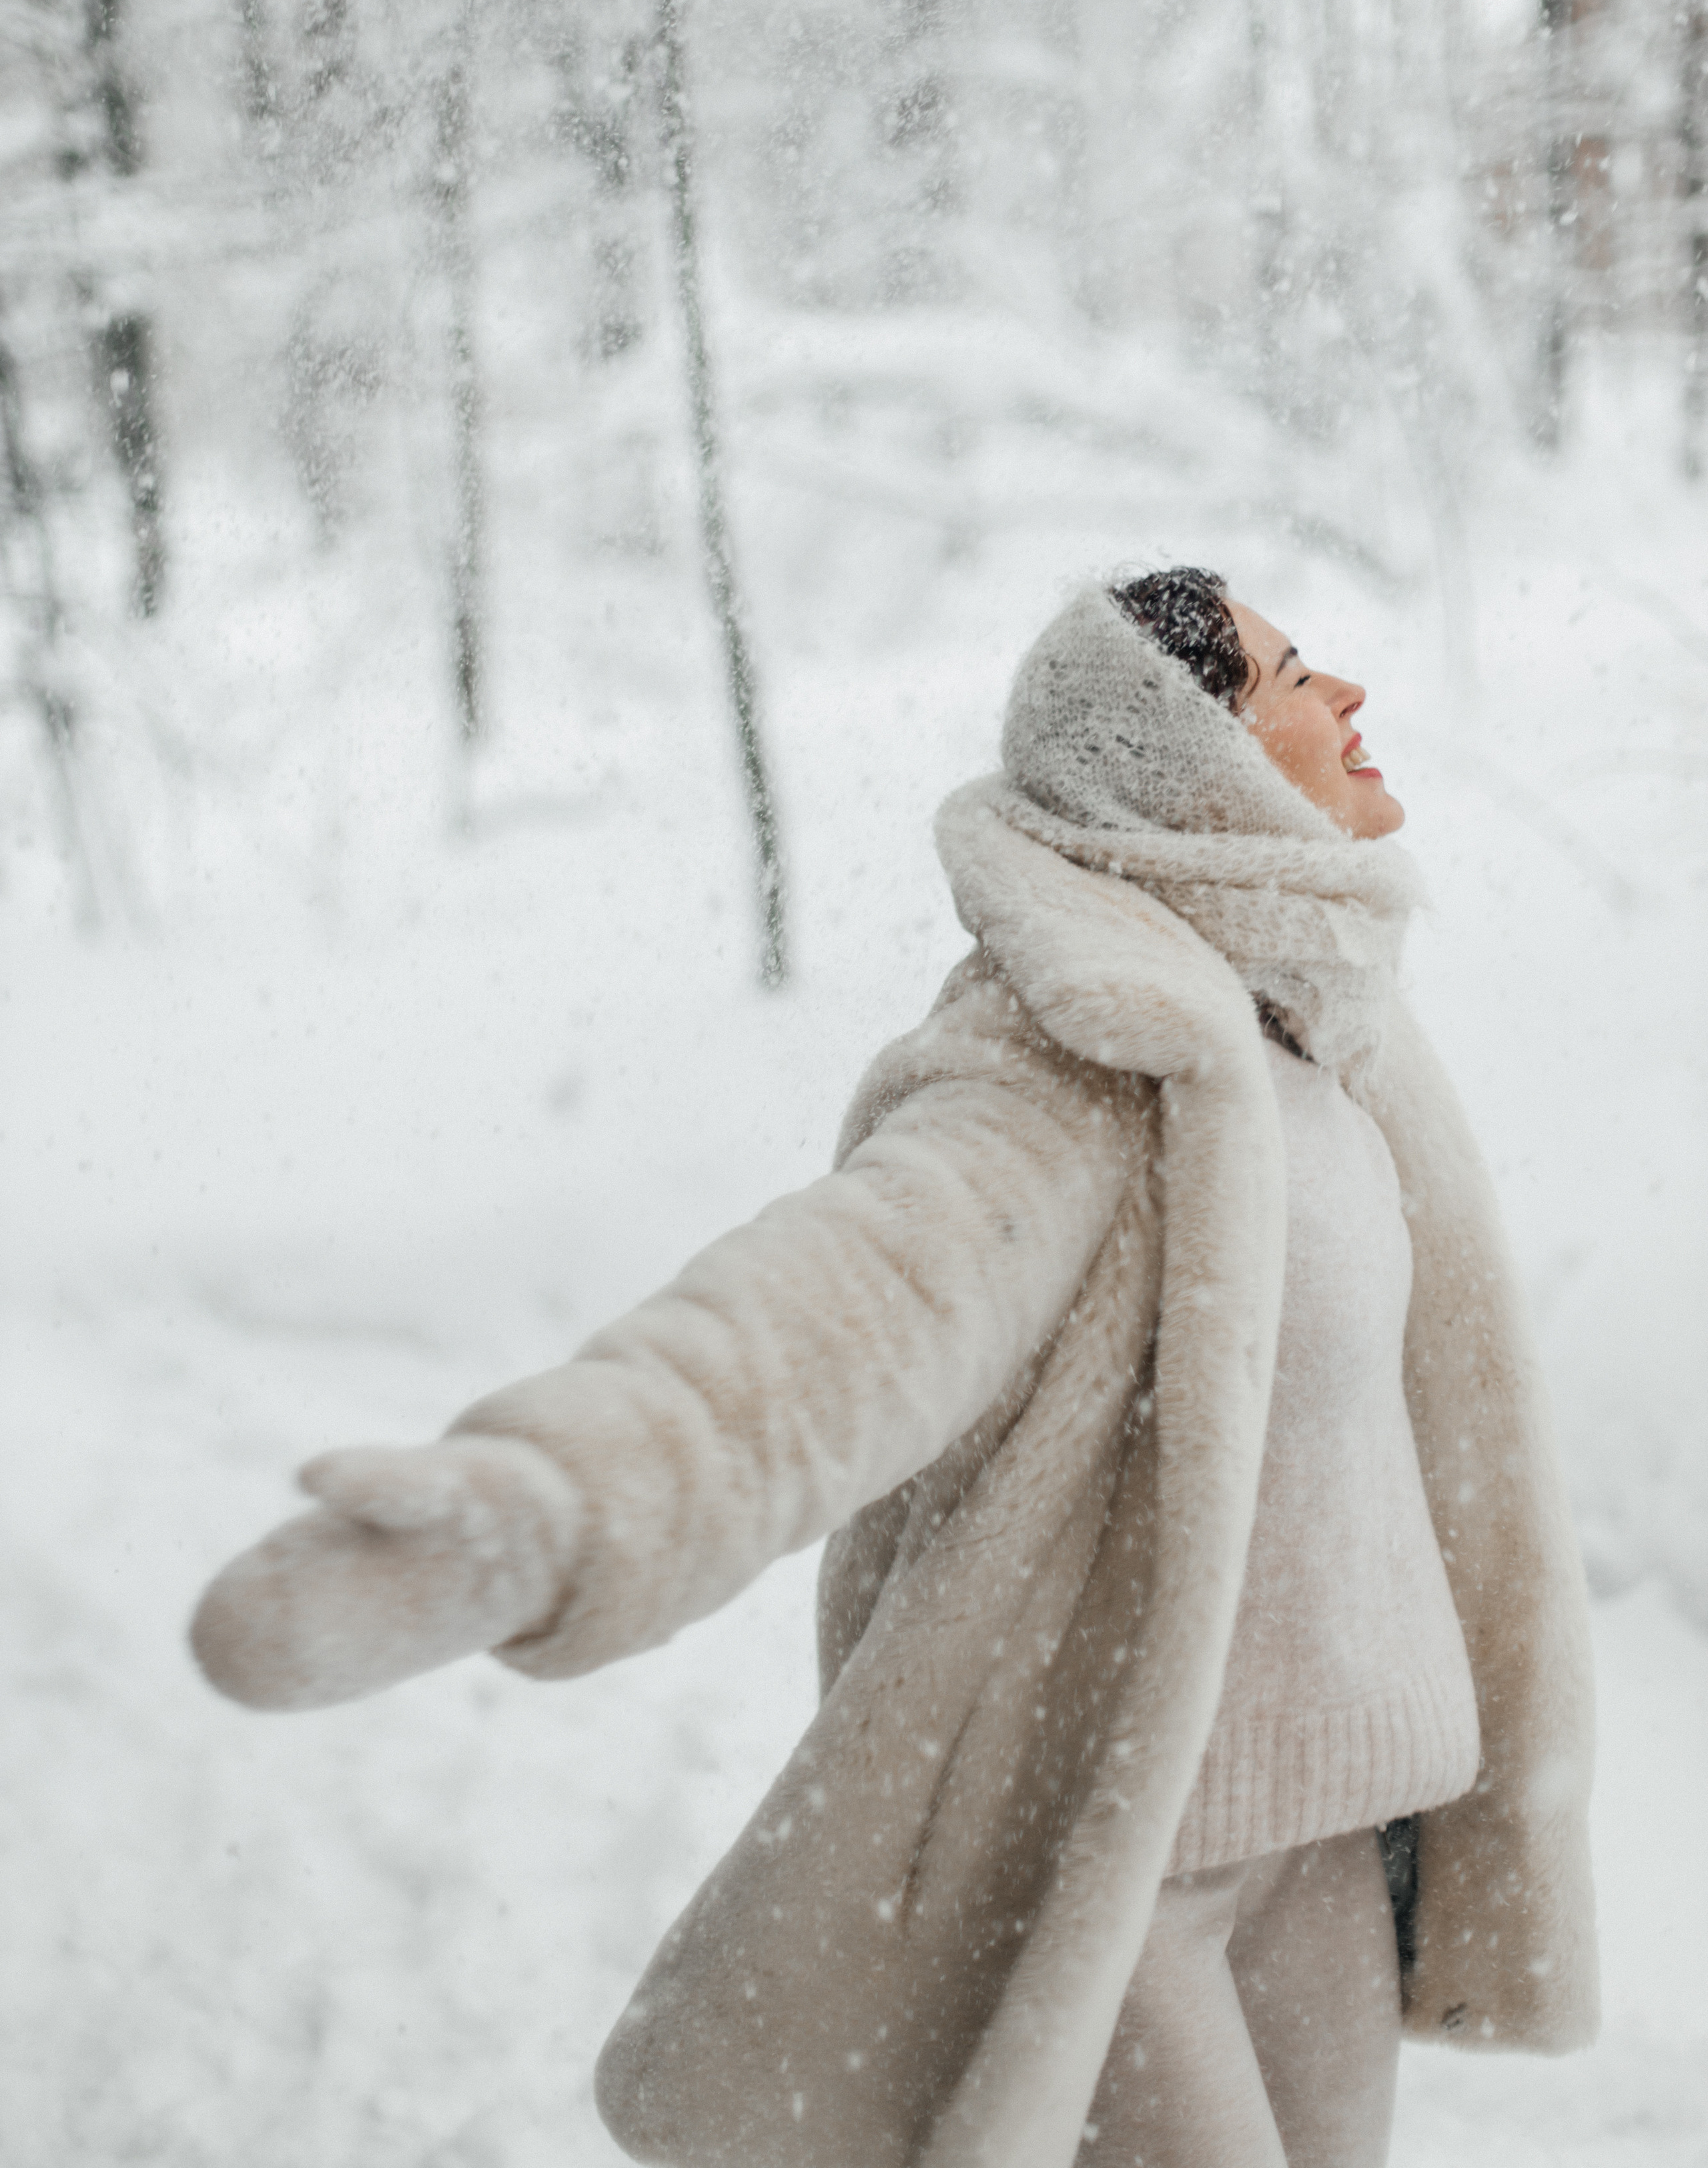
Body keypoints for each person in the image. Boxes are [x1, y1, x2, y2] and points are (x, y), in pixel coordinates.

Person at [191, 572, 1599, 2168]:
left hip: (1333, 1832)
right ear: (1188, 757)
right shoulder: (1077, 1060)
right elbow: (839, 1311)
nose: (1341, 692)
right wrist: (558, 1508)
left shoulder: (1328, 1046)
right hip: (1118, 1858)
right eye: (1283, 672)